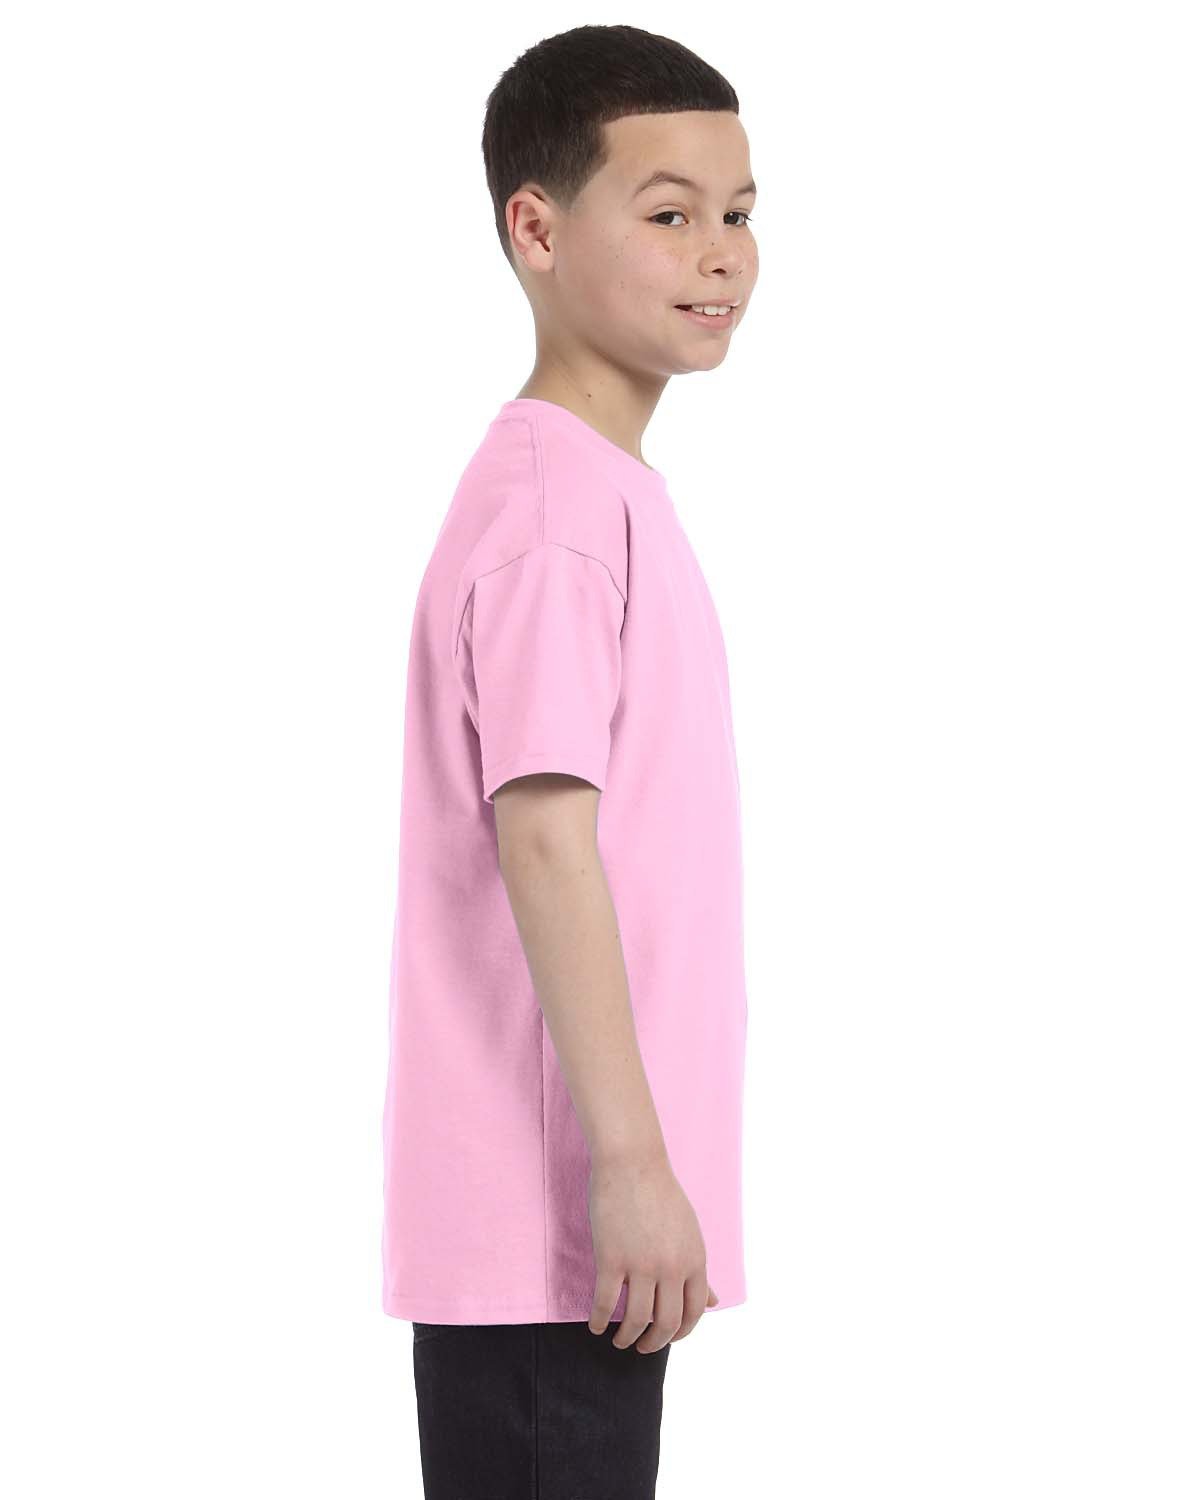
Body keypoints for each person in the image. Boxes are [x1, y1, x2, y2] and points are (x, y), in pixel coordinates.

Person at [381, 23, 758, 1499]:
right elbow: (544, 834)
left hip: (569, 1238)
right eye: (668, 213)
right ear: (534, 230)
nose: (720, 253)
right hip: (553, 1235)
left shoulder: (596, 491)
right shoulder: (554, 515)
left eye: (739, 213)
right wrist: (633, 1164)